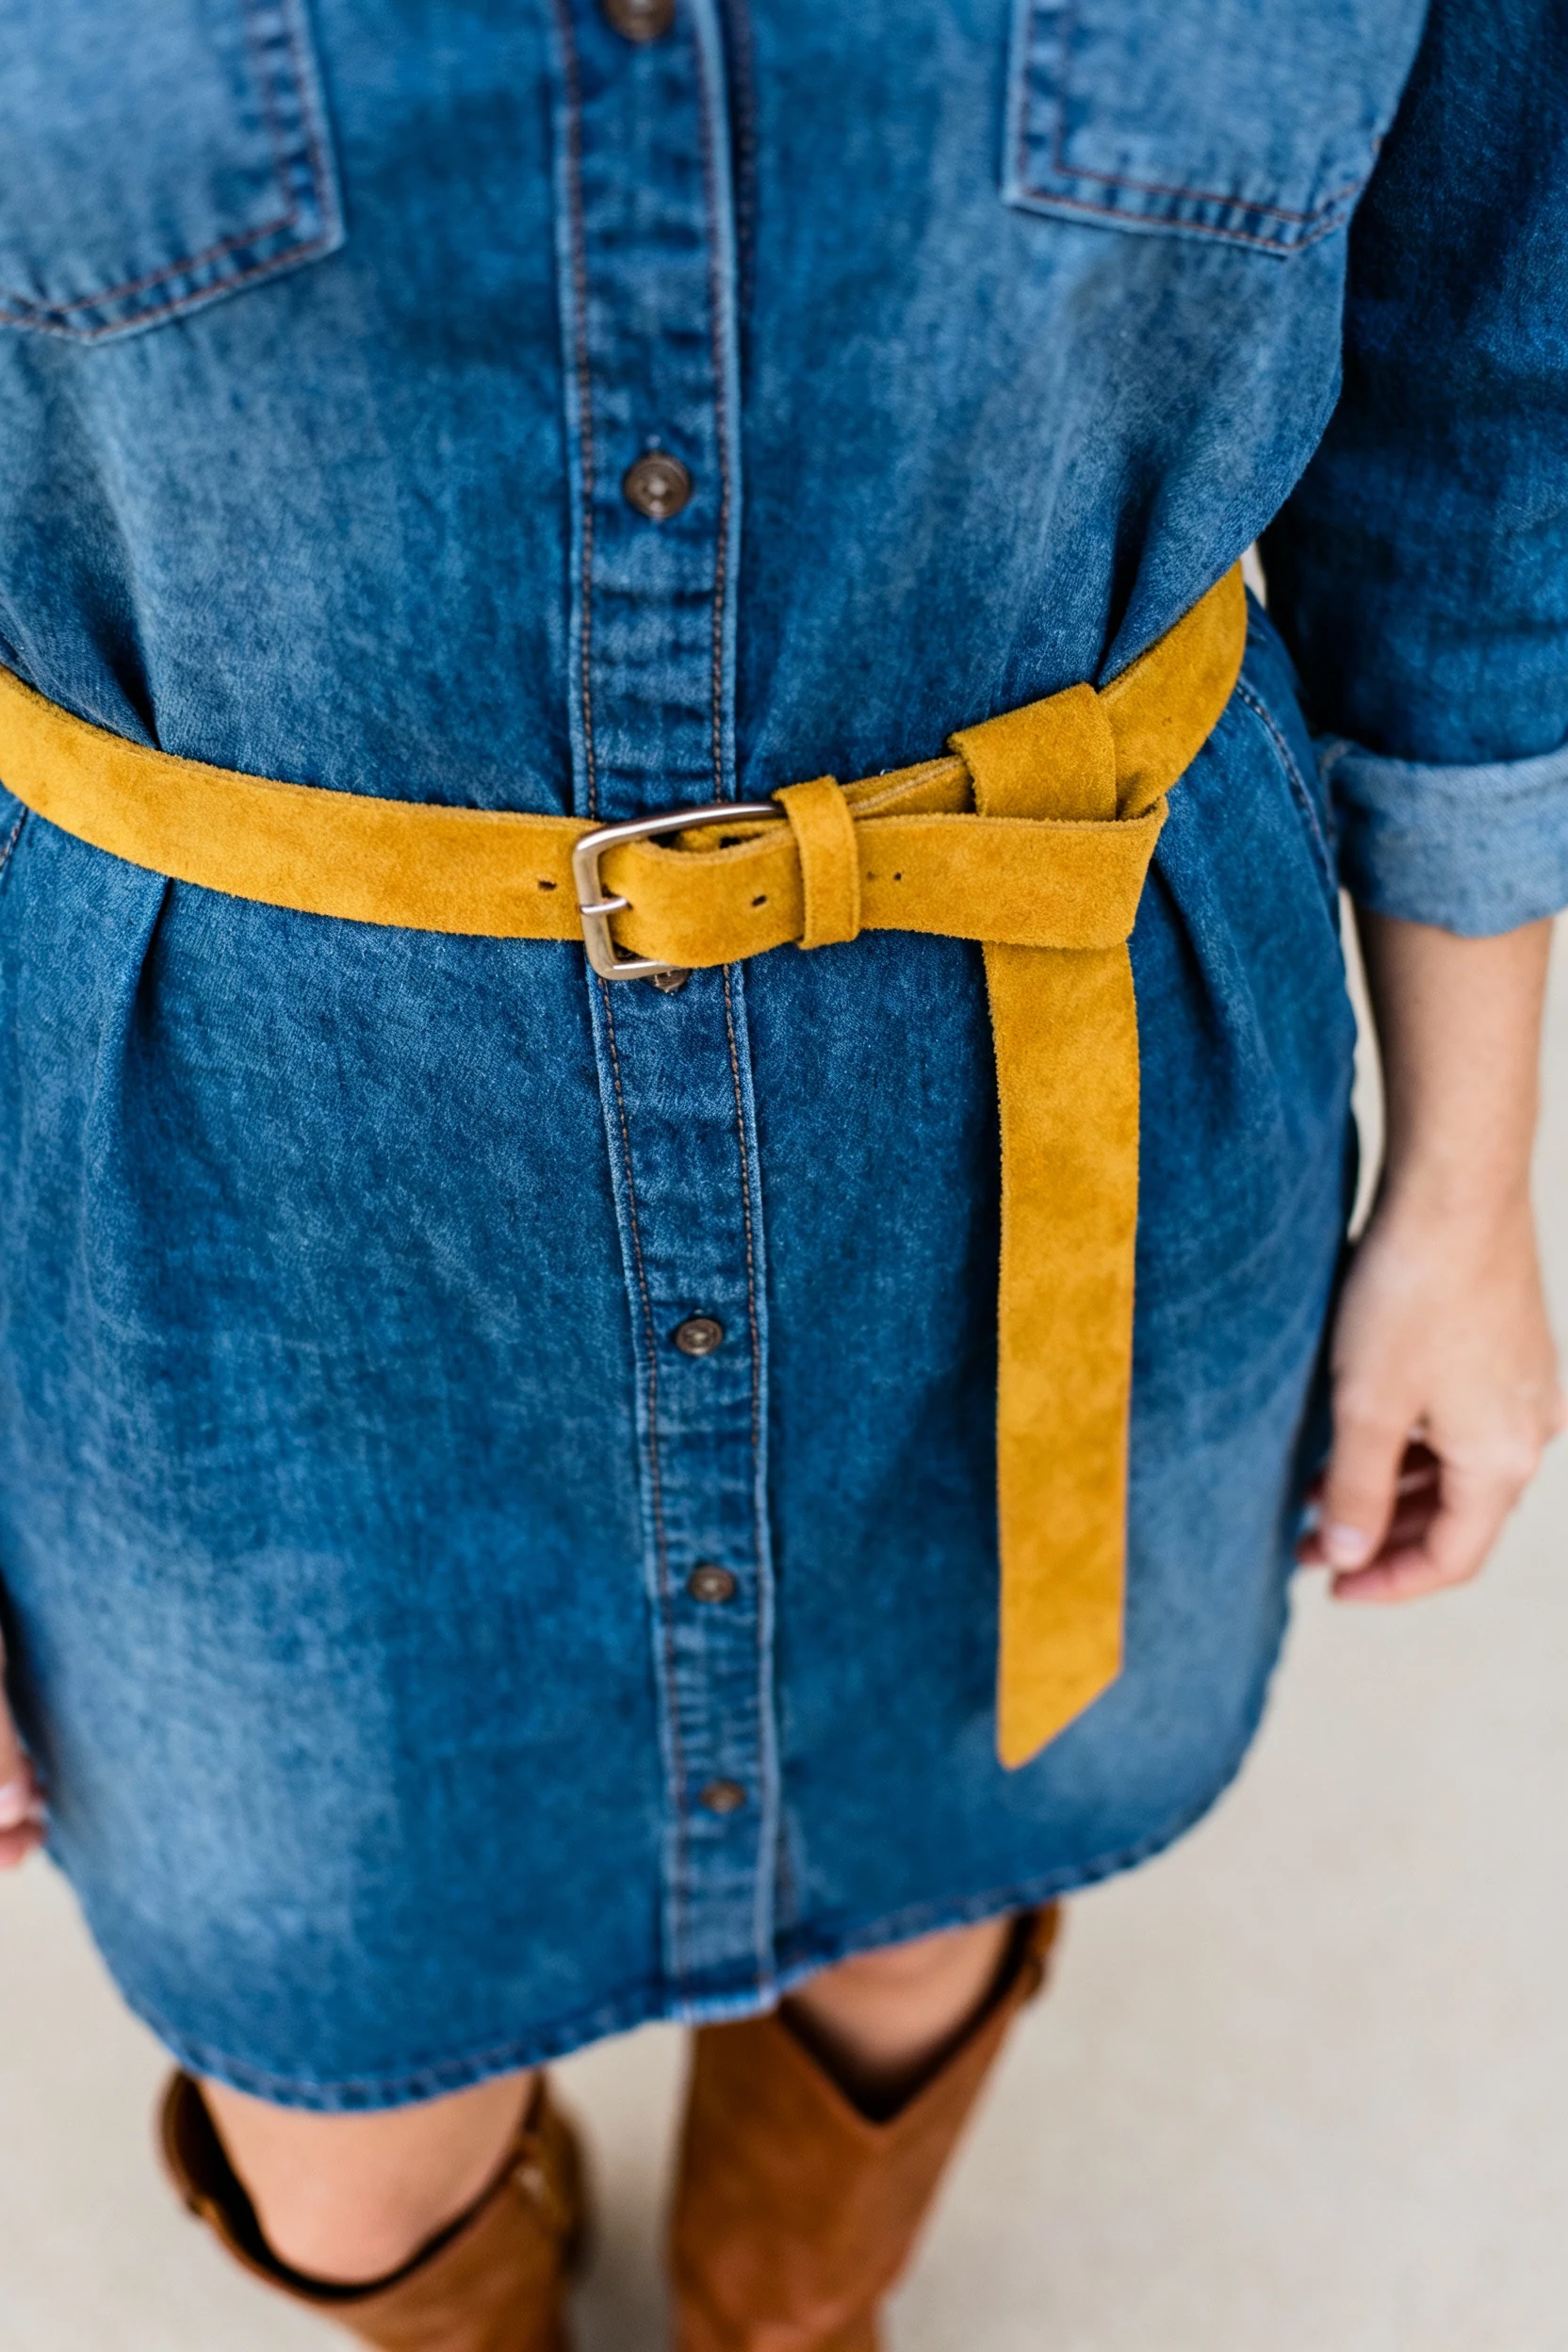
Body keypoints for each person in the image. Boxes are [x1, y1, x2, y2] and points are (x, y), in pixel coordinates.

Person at [0, 0, 1563, 2344]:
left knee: (934, 1861)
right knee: (336, 2080)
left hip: (1049, 1108)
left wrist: (1465, 1177)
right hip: (237, 1202)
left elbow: (1476, 405)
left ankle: (781, 2315)